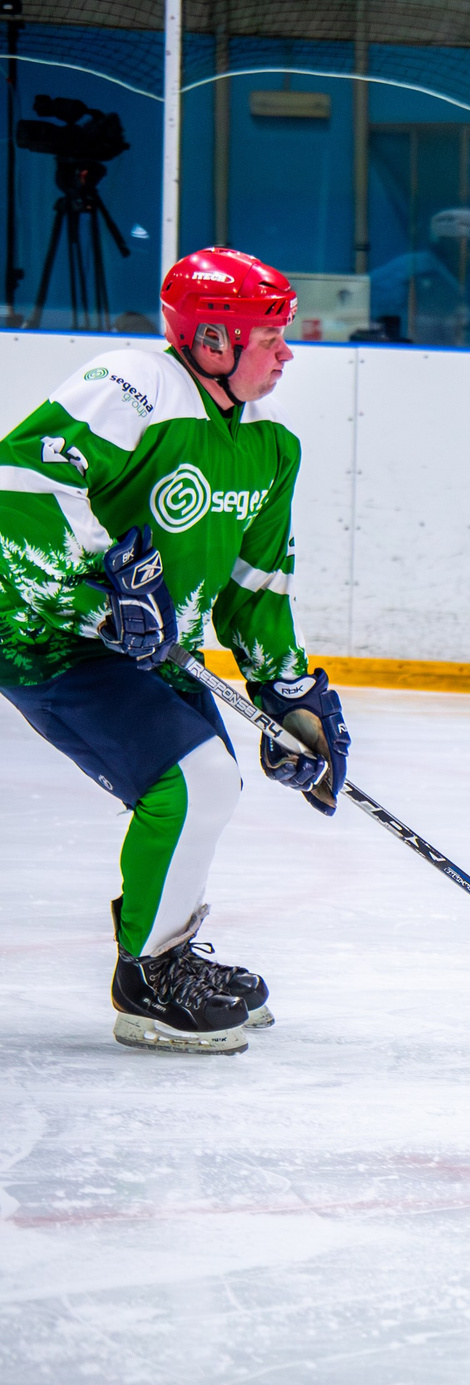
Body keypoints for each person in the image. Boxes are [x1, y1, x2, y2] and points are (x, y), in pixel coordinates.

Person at [0, 248, 351, 1054]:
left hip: (150, 648)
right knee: (192, 779)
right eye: (271, 338)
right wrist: (101, 585)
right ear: (214, 342)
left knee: (207, 786)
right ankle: (149, 979)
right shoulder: (132, 385)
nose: (288, 354)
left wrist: (287, 692)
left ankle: (168, 950)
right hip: (48, 633)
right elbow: (18, 483)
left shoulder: (270, 445)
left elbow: (254, 585)